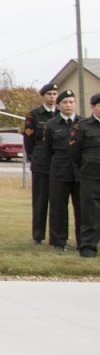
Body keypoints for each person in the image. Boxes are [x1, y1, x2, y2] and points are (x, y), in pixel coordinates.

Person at [43, 90, 81, 251]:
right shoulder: (52, 125)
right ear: (59, 105)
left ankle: (84, 241)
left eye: (71, 102)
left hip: (80, 172)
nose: (68, 105)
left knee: (83, 209)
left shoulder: (83, 123)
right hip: (59, 171)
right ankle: (58, 242)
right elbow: (48, 149)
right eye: (65, 102)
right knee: (58, 208)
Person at [22, 82, 59, 244]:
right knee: (40, 201)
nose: (52, 97)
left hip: (58, 164)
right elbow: (28, 140)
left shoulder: (61, 114)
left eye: (54, 94)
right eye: (49, 94)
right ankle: (38, 236)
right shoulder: (34, 115)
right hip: (41, 163)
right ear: (43, 96)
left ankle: (57, 236)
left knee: (58, 202)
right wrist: (33, 157)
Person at [71, 92, 100, 259]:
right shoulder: (82, 127)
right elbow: (75, 152)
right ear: (92, 107)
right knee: (90, 213)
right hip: (90, 176)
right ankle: (88, 247)